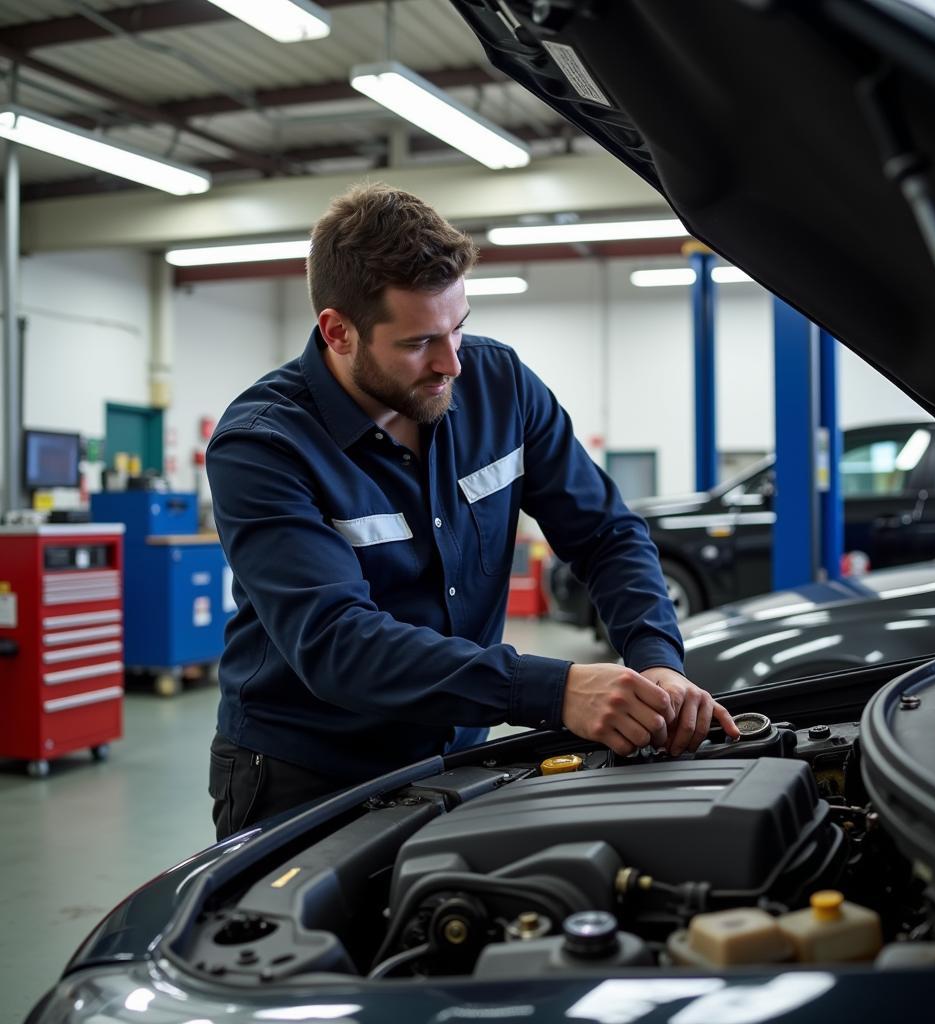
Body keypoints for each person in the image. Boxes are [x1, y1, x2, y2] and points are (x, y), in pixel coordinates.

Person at [206, 183, 738, 839]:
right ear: (337, 331)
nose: (451, 363)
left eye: (459, 326)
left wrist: (656, 659)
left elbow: (605, 534)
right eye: (418, 342)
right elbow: (336, 643)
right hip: (306, 770)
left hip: (460, 754)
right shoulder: (264, 445)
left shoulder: (500, 386)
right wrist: (555, 690)